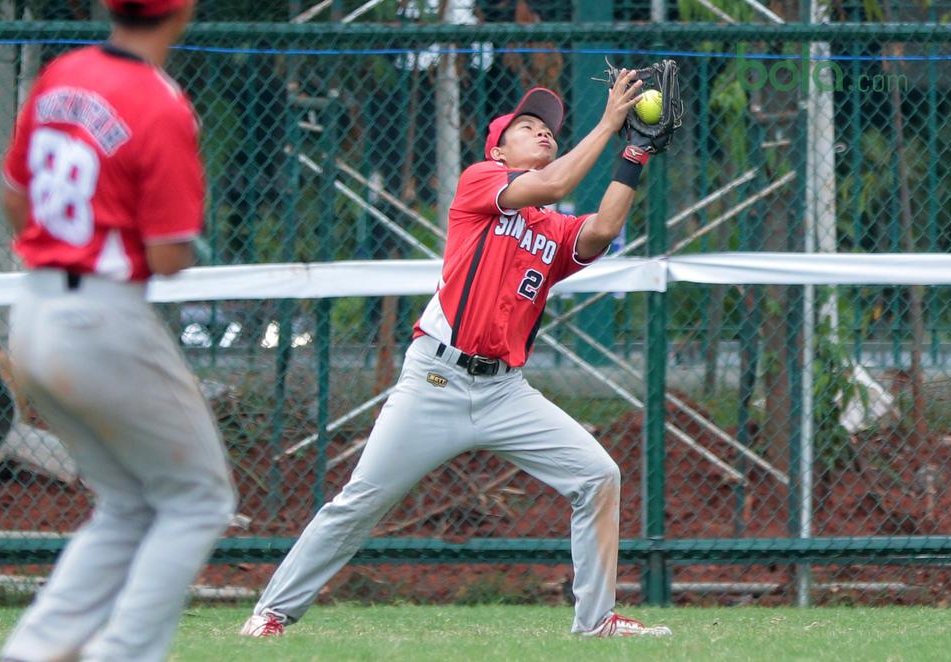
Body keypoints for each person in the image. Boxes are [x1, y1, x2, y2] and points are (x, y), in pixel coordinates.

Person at [242, 73, 676, 638]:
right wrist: (608, 123)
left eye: (549, 130)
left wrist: (635, 153)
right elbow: (548, 185)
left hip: (505, 391)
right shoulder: (480, 183)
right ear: (499, 150)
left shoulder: (550, 227)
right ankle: (272, 612)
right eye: (528, 127)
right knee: (361, 501)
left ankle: (595, 621)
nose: (543, 134)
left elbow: (602, 230)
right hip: (436, 381)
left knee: (597, 475)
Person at [0, 0, 236, 660]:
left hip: (32, 312)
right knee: (198, 499)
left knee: (129, 503)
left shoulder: (60, 75)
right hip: (101, 316)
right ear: (185, 6)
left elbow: (14, 199)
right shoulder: (160, 103)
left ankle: (36, 651)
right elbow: (166, 252)